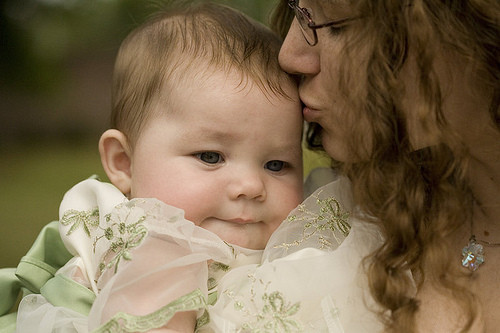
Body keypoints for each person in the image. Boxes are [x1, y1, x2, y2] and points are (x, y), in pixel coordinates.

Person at [9, 1, 304, 332]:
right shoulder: (145, 243)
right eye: (210, 156)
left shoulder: (304, 251)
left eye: (277, 164)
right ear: (124, 162)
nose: (251, 185)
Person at [266, 0, 499, 332]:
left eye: (335, 24)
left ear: (469, 28)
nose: (288, 55)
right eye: (299, 12)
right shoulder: (341, 222)